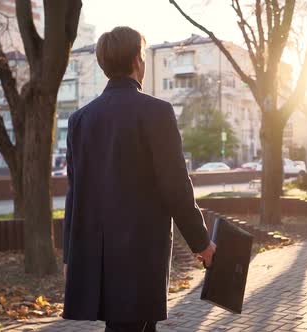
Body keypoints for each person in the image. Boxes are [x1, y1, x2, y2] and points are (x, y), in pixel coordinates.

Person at [62, 27, 216, 332]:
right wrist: (201, 242)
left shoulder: (80, 119)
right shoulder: (156, 112)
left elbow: (74, 193)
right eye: (143, 56)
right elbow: (175, 187)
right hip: (141, 253)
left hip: (99, 256)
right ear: (136, 60)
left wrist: (71, 256)